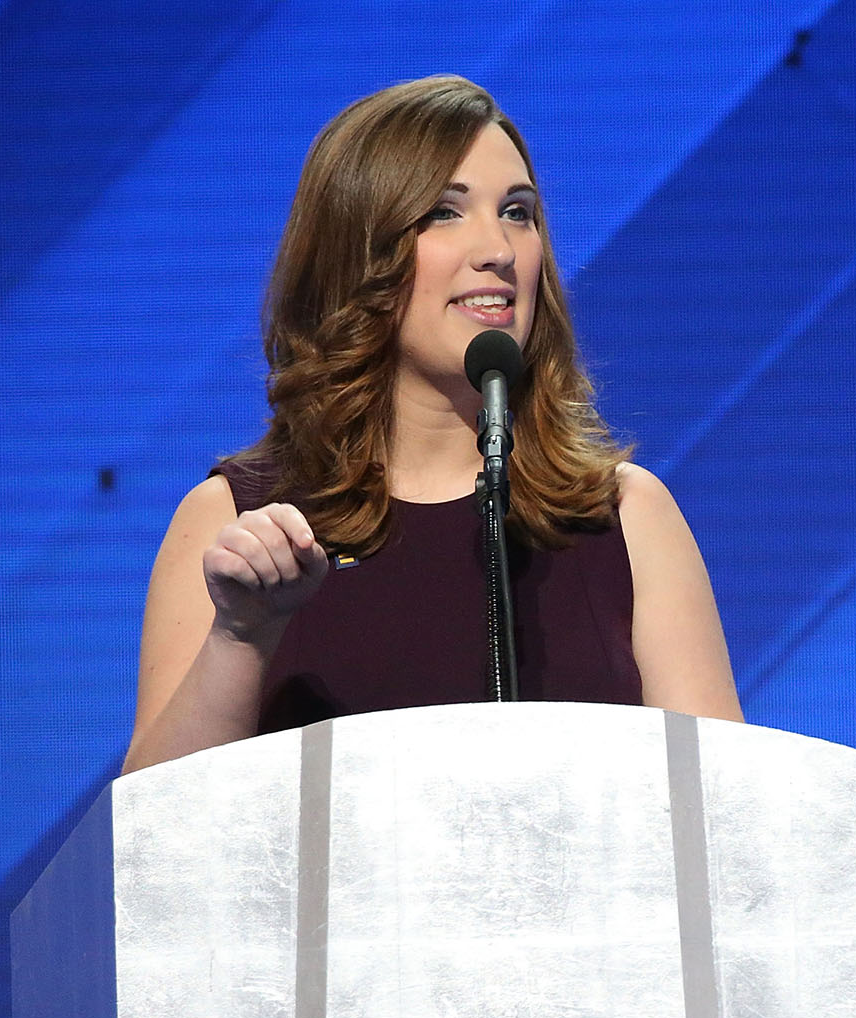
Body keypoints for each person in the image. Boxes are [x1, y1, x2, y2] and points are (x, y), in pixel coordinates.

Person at [124, 76, 740, 774]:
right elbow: (152, 837)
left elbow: (719, 812)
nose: (499, 249)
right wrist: (241, 636)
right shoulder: (238, 523)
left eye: (518, 212)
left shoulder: (625, 519)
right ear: (358, 255)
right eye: (445, 213)